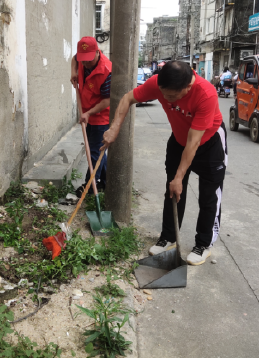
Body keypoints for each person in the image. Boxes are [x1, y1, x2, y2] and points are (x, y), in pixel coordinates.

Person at [102, 61, 227, 266]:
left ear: (187, 88)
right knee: (173, 191)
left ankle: (204, 243)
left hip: (208, 142)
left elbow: (194, 141)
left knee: (208, 195)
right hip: (179, 141)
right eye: (163, 94)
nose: (166, 99)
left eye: (171, 96)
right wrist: (114, 128)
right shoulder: (157, 83)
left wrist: (180, 176)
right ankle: (168, 236)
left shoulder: (206, 94)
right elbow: (127, 98)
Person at [70, 36, 112, 197]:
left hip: (101, 116)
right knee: (98, 150)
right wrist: (73, 72)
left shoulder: (107, 70)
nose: (85, 63)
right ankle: (106, 181)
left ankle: (88, 187)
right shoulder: (81, 58)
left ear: (97, 52)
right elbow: (74, 59)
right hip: (86, 112)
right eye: (83, 60)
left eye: (88, 60)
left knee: (93, 152)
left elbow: (107, 100)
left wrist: (88, 113)